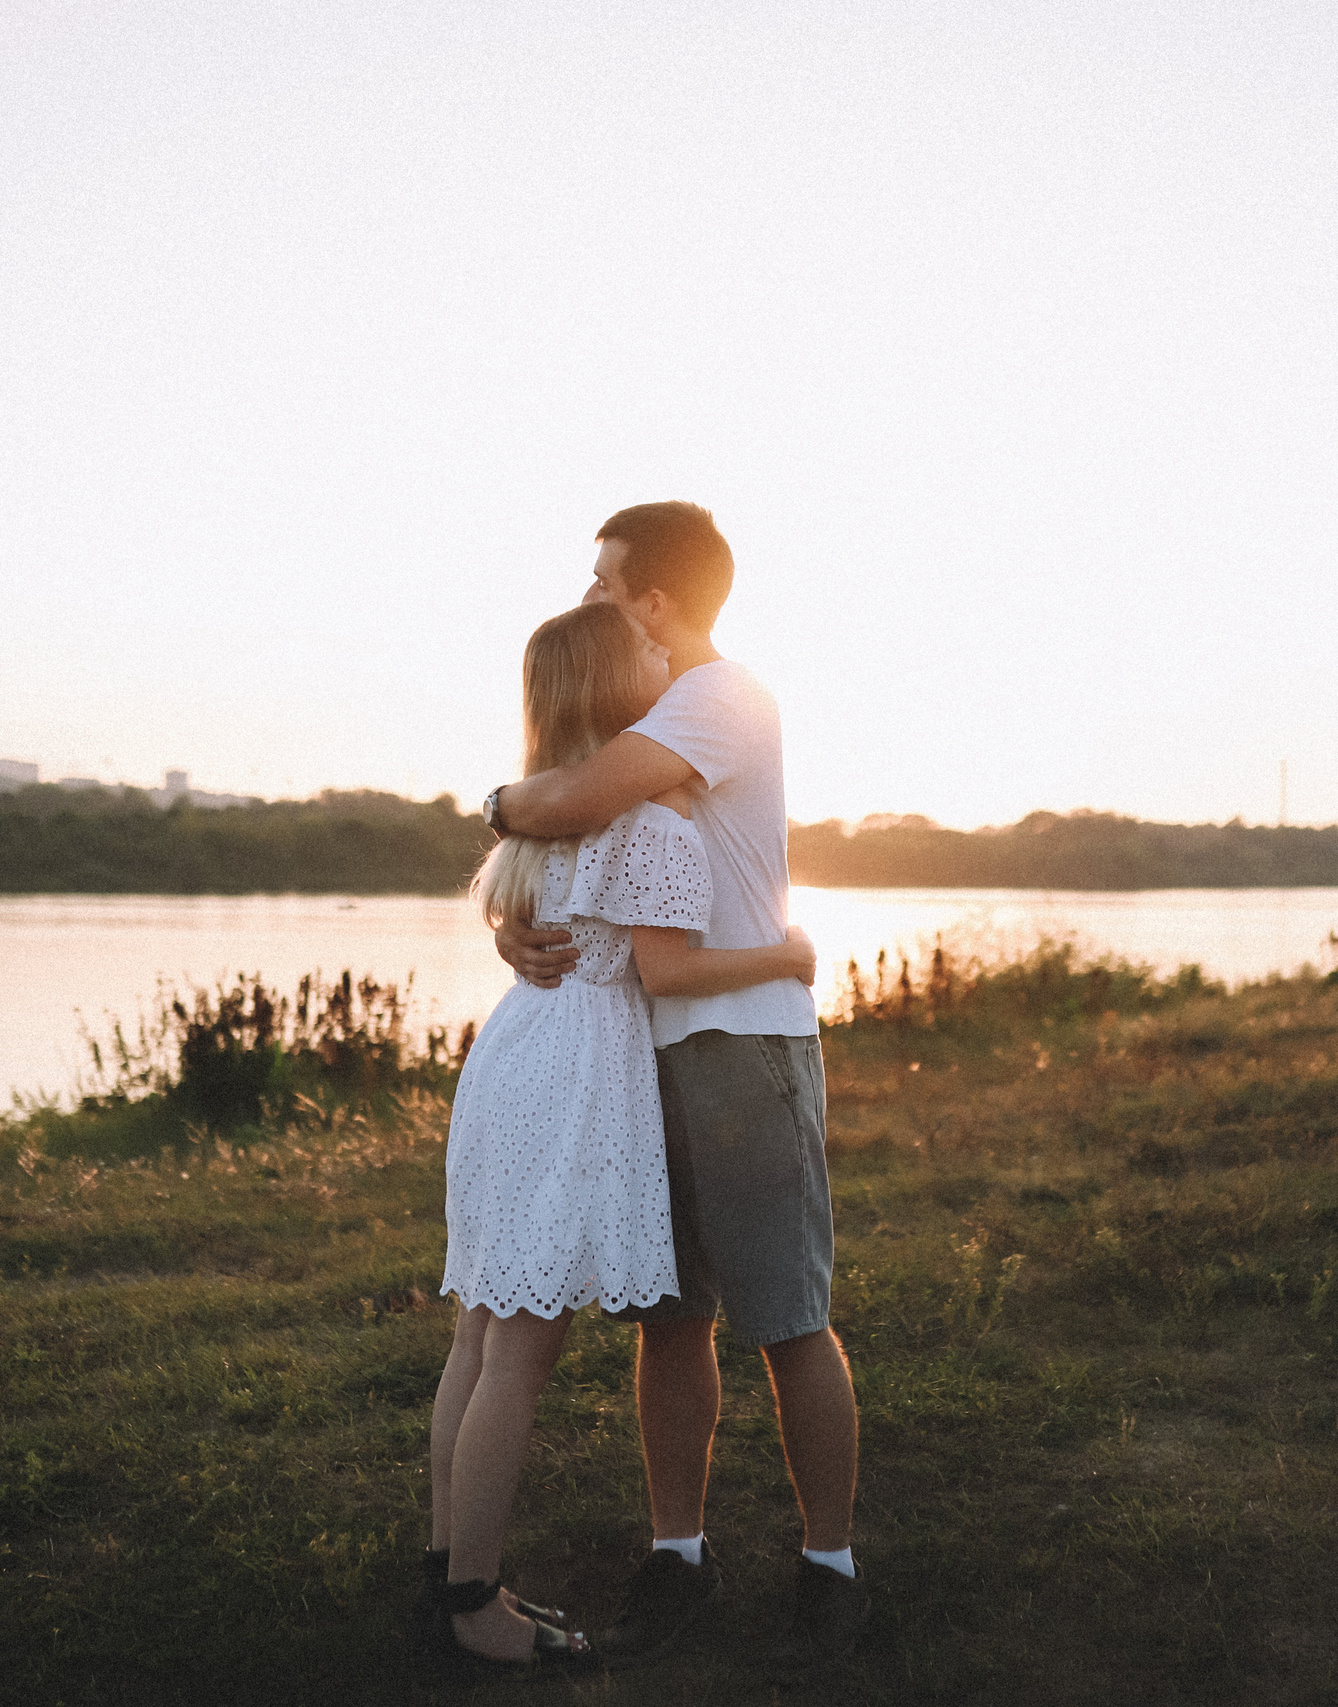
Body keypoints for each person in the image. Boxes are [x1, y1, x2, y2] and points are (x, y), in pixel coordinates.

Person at [481, 501, 868, 1671]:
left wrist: (493, 805)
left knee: (786, 1317)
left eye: (605, 582)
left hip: (738, 1041)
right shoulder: (645, 704)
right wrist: (514, 928)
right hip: (635, 1046)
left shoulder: (718, 696)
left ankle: (830, 1566)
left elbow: (571, 802)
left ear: (654, 599)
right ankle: (677, 1552)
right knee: (670, 1320)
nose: (591, 597)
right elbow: (572, 857)